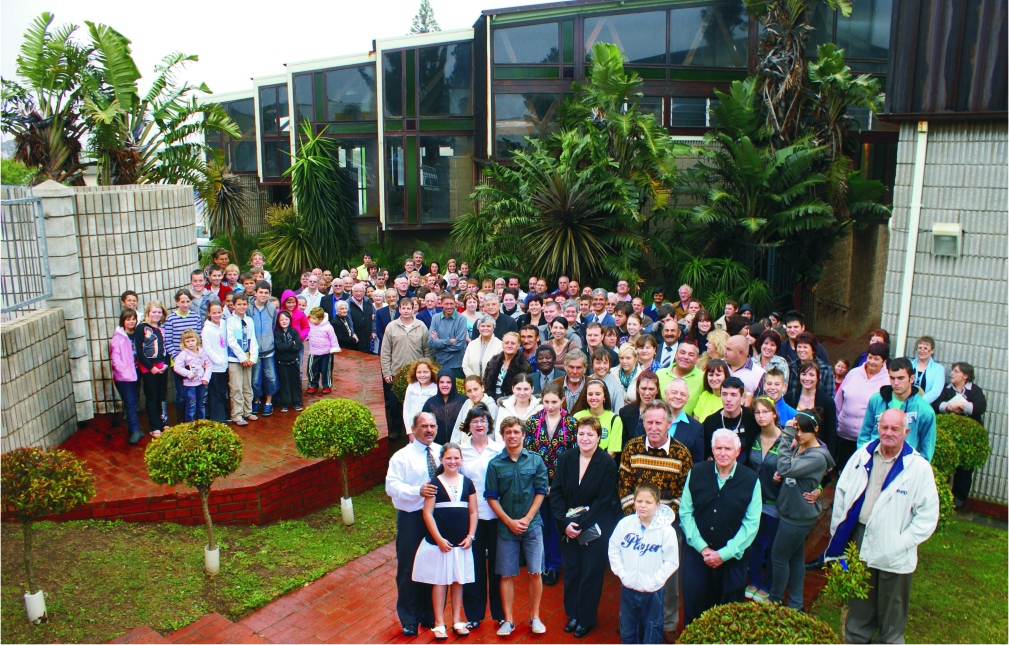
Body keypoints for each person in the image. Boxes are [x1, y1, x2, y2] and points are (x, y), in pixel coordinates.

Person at [824, 408, 939, 644]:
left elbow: (927, 517)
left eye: (895, 429)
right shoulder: (861, 456)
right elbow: (842, 496)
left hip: (895, 549)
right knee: (859, 605)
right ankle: (856, 638)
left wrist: (899, 543)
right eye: (884, 427)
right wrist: (837, 531)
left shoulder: (918, 468)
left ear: (906, 432)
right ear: (877, 428)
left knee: (891, 615)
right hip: (858, 538)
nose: (888, 433)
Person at [617, 400, 694, 636]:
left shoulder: (681, 453)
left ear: (669, 424)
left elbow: (685, 493)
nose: (653, 427)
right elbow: (624, 486)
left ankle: (668, 625)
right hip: (635, 524)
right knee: (635, 573)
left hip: (667, 527)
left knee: (667, 579)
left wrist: (660, 522)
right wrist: (638, 518)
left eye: (658, 423)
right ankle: (633, 622)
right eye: (648, 422)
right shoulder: (632, 448)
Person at [679, 429, 761, 625]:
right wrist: (703, 548)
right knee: (694, 611)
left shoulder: (751, 480)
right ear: (712, 450)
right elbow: (685, 513)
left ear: (738, 450)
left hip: (732, 563)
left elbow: (751, 525)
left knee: (728, 617)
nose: (723, 453)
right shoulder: (696, 472)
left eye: (728, 449)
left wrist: (723, 554)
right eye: (718, 448)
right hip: (697, 559)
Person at [549, 416, 620, 638]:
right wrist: (565, 523)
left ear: (599, 437)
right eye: (581, 434)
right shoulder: (566, 458)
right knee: (572, 571)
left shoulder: (607, 463)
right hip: (568, 528)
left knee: (591, 573)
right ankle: (573, 613)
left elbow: (604, 500)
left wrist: (578, 524)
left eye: (591, 434)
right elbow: (557, 492)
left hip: (594, 528)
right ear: (576, 436)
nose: (585, 438)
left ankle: (586, 618)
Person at [484, 417, 550, 636]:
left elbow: (541, 491)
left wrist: (528, 519)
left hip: (532, 526)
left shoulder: (535, 460)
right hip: (506, 527)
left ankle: (535, 617)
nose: (512, 435)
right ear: (502, 436)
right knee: (505, 574)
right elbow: (491, 497)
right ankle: (508, 620)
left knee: (535, 571)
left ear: (523, 434)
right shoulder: (495, 464)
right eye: (507, 432)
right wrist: (509, 521)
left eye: (516, 431)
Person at [412, 442, 478, 640]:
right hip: (441, 545)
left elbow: (473, 511)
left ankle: (457, 620)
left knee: (458, 580)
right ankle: (439, 623)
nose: (452, 461)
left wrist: (470, 536)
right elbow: (428, 513)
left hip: (461, 544)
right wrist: (439, 539)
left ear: (461, 459)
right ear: (442, 460)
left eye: (456, 458)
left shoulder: (467, 483)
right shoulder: (434, 482)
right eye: (448, 458)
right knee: (440, 582)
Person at [769, 410, 834, 610]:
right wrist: (781, 475)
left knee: (778, 558)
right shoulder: (803, 447)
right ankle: (796, 604)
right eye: (797, 429)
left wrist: (786, 435)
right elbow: (788, 471)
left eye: (804, 431)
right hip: (793, 510)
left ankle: (774, 600)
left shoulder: (816, 455)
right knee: (796, 559)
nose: (799, 434)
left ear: (816, 430)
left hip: (797, 516)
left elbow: (788, 468)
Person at [387, 412, 441, 636]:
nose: (429, 430)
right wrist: (416, 491)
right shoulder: (402, 457)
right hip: (412, 518)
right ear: (413, 428)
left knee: (433, 566)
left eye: (432, 426)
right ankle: (409, 618)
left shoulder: (441, 451)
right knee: (408, 567)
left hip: (437, 518)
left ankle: (428, 615)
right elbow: (391, 487)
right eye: (423, 426)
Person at [609, 484, 679, 645]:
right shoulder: (625, 524)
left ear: (658, 504)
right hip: (629, 589)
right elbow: (613, 548)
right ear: (633, 502)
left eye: (648, 502)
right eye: (639, 501)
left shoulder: (666, 531)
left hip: (653, 593)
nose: (643, 505)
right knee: (628, 630)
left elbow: (671, 561)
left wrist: (654, 581)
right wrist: (622, 574)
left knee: (653, 632)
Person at [523, 383, 577, 587]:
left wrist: (559, 485)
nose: (550, 406)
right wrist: (538, 484)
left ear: (562, 400)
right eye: (546, 402)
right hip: (538, 484)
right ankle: (542, 562)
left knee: (556, 526)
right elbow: (527, 454)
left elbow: (574, 456)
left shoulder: (571, 423)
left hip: (561, 485)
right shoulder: (533, 422)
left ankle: (554, 565)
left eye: (554, 402)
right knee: (540, 524)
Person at [458, 408, 506, 630]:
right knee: (474, 567)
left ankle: (500, 613)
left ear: (489, 424)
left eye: (483, 421)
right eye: (475, 421)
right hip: (471, 518)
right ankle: (474, 614)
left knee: (497, 566)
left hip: (496, 515)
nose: (479, 424)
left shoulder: (499, 449)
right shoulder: (461, 451)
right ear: (468, 425)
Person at [858, 357, 937, 462]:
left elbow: (927, 448)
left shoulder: (925, 410)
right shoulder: (876, 400)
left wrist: (917, 470)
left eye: (901, 378)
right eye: (892, 378)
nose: (896, 383)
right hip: (874, 460)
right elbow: (865, 433)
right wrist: (864, 458)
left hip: (905, 465)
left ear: (912, 379)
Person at [743, 397, 782, 603]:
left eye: (765, 412)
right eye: (757, 412)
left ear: (774, 414)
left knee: (774, 545)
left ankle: (770, 584)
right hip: (755, 501)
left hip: (776, 502)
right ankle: (755, 580)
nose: (761, 416)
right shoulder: (754, 437)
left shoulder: (787, 440)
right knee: (756, 542)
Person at [934, 362, 988, 506]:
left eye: (956, 371)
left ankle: (958, 499)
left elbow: (980, 407)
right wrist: (949, 407)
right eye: (952, 371)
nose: (951, 373)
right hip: (948, 436)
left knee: (964, 470)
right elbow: (937, 404)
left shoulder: (975, 391)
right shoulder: (946, 389)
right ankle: (940, 497)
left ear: (965, 376)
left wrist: (962, 405)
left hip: (967, 441)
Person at [381, 298, 434, 440]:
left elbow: (427, 349)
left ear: (413, 309)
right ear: (399, 310)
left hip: (418, 375)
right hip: (397, 373)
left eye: (408, 308)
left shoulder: (421, 326)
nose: (405, 311)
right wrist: (386, 372)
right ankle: (396, 429)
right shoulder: (391, 327)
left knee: (417, 403)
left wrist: (428, 372)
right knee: (396, 404)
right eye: (403, 308)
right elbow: (385, 351)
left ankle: (417, 430)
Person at [834, 342, 890, 474]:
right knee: (844, 472)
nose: (872, 362)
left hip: (868, 440)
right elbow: (838, 401)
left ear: (884, 361)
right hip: (844, 435)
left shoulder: (887, 380)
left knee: (862, 473)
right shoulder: (853, 373)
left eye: (877, 359)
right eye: (870, 357)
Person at [785, 362, 839, 461]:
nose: (807, 378)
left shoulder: (827, 401)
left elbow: (831, 433)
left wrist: (828, 458)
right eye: (804, 374)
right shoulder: (789, 397)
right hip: (791, 451)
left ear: (819, 377)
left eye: (812, 375)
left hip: (816, 454)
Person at [164, 289, 202, 421]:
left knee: (195, 393)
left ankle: (194, 420)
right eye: (182, 302)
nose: (185, 304)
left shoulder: (196, 317)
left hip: (195, 363)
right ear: (176, 302)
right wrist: (179, 359)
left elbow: (199, 339)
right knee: (181, 394)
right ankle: (181, 421)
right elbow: (167, 341)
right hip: (179, 363)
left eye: (188, 301)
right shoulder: (171, 319)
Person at [701, 377, 760, 461]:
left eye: (734, 395)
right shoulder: (711, 422)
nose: (728, 399)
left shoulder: (751, 418)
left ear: (742, 397)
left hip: (747, 471)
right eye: (724, 394)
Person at [136, 300, 170, 436]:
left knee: (162, 396)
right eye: (154, 312)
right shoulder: (142, 328)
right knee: (152, 396)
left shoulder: (161, 329)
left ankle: (164, 422)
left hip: (162, 367)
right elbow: (139, 351)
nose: (156, 314)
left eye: (159, 312)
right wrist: (150, 367)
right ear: (148, 313)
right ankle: (154, 426)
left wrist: (166, 364)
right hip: (148, 368)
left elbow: (165, 349)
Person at [226, 294, 259, 426]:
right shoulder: (230, 321)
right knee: (236, 387)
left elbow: (253, 340)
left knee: (247, 386)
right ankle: (237, 415)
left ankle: (247, 411)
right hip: (235, 359)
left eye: (244, 304)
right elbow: (231, 341)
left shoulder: (249, 320)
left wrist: (252, 357)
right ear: (233, 305)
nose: (242, 307)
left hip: (248, 360)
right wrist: (242, 357)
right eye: (239, 304)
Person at [111, 308, 141, 444]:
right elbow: (115, 360)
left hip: (136, 372)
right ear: (123, 321)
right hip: (124, 377)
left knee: (134, 401)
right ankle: (134, 431)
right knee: (130, 403)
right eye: (128, 319)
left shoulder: (137, 334)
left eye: (133, 319)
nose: (131, 321)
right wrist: (125, 373)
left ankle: (134, 429)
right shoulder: (118, 338)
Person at [249, 281, 278, 417]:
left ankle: (268, 402)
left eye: (266, 292)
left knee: (271, 377)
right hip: (254, 352)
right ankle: (256, 400)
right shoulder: (249, 308)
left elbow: (273, 325)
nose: (263, 295)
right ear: (255, 292)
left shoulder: (272, 307)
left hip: (269, 350)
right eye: (261, 292)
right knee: (255, 379)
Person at [574, 379, 624, 457]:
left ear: (605, 397)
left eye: (598, 394)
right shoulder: (577, 417)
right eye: (590, 394)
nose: (593, 397)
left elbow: (612, 453)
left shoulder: (614, 419)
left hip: (603, 465)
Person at [172, 330, 211, 422]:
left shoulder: (202, 352)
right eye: (187, 341)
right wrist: (188, 374)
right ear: (183, 343)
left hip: (201, 383)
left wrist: (206, 378)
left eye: (192, 340)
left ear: (197, 340)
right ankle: (190, 426)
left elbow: (209, 365)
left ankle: (202, 423)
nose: (190, 343)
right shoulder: (183, 354)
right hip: (189, 385)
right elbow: (176, 367)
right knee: (191, 406)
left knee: (201, 404)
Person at [422, 369, 468, 445]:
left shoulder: (463, 401)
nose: (445, 385)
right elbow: (423, 425)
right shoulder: (430, 403)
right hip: (436, 447)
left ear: (453, 384)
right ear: (437, 383)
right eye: (441, 382)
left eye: (448, 382)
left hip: (459, 446)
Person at [484, 332, 534, 401]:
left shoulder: (524, 365)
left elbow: (524, 389)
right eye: (506, 343)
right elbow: (485, 384)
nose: (509, 346)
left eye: (513, 343)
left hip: (513, 403)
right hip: (491, 402)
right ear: (502, 344)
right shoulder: (493, 362)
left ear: (518, 346)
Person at [201, 302, 230, 423]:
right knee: (215, 392)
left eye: (219, 312)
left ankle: (225, 414)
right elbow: (207, 349)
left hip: (224, 365)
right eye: (214, 313)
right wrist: (219, 360)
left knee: (223, 390)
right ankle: (218, 418)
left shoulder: (223, 323)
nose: (217, 315)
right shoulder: (206, 329)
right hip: (215, 366)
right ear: (209, 313)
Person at [429, 292, 468, 380]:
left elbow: (459, 345)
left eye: (451, 303)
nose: (449, 306)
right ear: (441, 303)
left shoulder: (461, 319)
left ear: (455, 303)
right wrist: (450, 341)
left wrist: (439, 343)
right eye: (446, 304)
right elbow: (431, 342)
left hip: (457, 364)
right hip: (440, 363)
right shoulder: (435, 318)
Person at [618, 370, 660, 451]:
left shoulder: (666, 413)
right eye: (643, 388)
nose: (647, 393)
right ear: (637, 389)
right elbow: (622, 443)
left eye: (651, 389)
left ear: (657, 390)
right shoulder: (625, 412)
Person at [785, 332, 834, 401]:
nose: (801, 350)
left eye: (805, 347)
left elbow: (829, 396)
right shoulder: (790, 367)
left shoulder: (825, 369)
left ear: (813, 350)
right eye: (799, 347)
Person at [658, 343, 704, 417]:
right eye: (682, 353)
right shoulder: (660, 374)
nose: (686, 357)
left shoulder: (703, 378)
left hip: (687, 426)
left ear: (697, 359)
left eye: (691, 355)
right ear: (676, 354)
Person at [451, 376, 500, 443]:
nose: (473, 394)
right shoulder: (467, 403)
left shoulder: (491, 407)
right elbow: (458, 427)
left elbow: (491, 433)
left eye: (475, 389)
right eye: (469, 391)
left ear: (482, 388)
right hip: (463, 447)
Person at [272, 310, 303, 413]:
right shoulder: (277, 333)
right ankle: (285, 403)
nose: (284, 321)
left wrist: (290, 346)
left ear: (290, 320)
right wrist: (291, 344)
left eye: (286, 319)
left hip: (293, 362)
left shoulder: (294, 332)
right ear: (278, 321)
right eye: (281, 319)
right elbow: (279, 347)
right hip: (282, 363)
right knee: (284, 382)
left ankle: (297, 402)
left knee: (296, 382)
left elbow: (299, 346)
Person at [305, 307, 340, 395]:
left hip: (326, 352)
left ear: (321, 319)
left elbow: (333, 338)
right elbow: (306, 334)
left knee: (326, 369)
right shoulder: (309, 325)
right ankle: (313, 384)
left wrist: (334, 347)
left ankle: (326, 385)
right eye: (311, 318)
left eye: (314, 318)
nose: (312, 320)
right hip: (314, 352)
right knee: (312, 369)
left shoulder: (328, 327)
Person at [403, 359, 439, 439]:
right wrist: (409, 431)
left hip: (429, 430)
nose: (422, 375)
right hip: (414, 429)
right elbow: (406, 409)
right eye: (419, 372)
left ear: (431, 372)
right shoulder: (411, 386)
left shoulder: (436, 389)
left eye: (425, 372)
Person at [462, 315, 501, 379]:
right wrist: (475, 381)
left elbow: (500, 367)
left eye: (488, 326)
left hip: (492, 383)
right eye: (482, 326)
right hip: (474, 384)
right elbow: (465, 365)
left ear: (493, 328)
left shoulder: (500, 345)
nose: (485, 328)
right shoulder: (472, 344)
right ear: (478, 328)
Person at [692, 359, 728, 423]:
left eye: (718, 375)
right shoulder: (704, 395)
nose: (714, 379)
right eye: (711, 375)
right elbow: (696, 423)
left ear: (726, 376)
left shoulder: (731, 398)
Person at [911, 335, 945, 404]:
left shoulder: (939, 369)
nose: (922, 351)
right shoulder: (908, 365)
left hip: (924, 405)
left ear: (932, 351)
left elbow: (935, 392)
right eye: (920, 348)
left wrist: (918, 403)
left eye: (925, 348)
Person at [347, 283, 376, 354]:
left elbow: (374, 317)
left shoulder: (368, 302)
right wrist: (352, 333)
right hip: (356, 338)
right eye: (356, 291)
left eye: (361, 291)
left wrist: (373, 331)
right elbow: (348, 321)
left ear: (364, 292)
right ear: (352, 292)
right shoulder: (348, 304)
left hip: (368, 337)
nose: (358, 293)